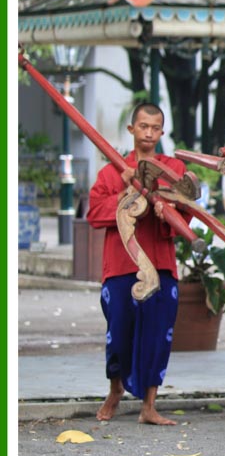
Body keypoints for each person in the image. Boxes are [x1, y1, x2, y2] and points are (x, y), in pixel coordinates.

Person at [87, 103, 186, 426]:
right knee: (118, 332)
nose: (148, 132)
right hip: (121, 264)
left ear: (162, 132)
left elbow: (185, 214)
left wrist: (168, 209)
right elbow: (94, 214)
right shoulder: (111, 172)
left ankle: (149, 405)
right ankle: (115, 390)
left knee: (159, 334)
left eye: (154, 127)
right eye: (142, 126)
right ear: (131, 130)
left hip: (160, 264)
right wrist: (127, 196)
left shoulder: (173, 169)